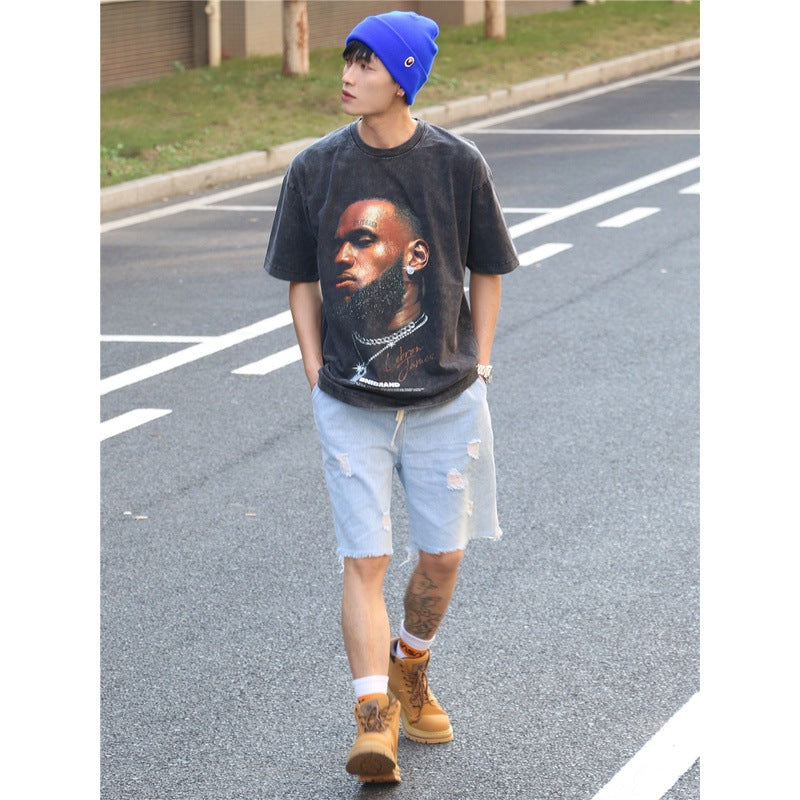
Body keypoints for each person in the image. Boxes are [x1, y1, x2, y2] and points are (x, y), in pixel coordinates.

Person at [264, 10, 518, 784]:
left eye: (367, 64)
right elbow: (300, 278)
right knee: (365, 557)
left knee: (442, 556)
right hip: (350, 401)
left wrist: (479, 361)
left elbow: (488, 266)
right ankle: (373, 717)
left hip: (447, 397)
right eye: (347, 60)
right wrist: (314, 369)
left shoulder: (456, 164)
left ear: (403, 79)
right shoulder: (315, 168)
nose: (348, 76)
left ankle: (411, 664)